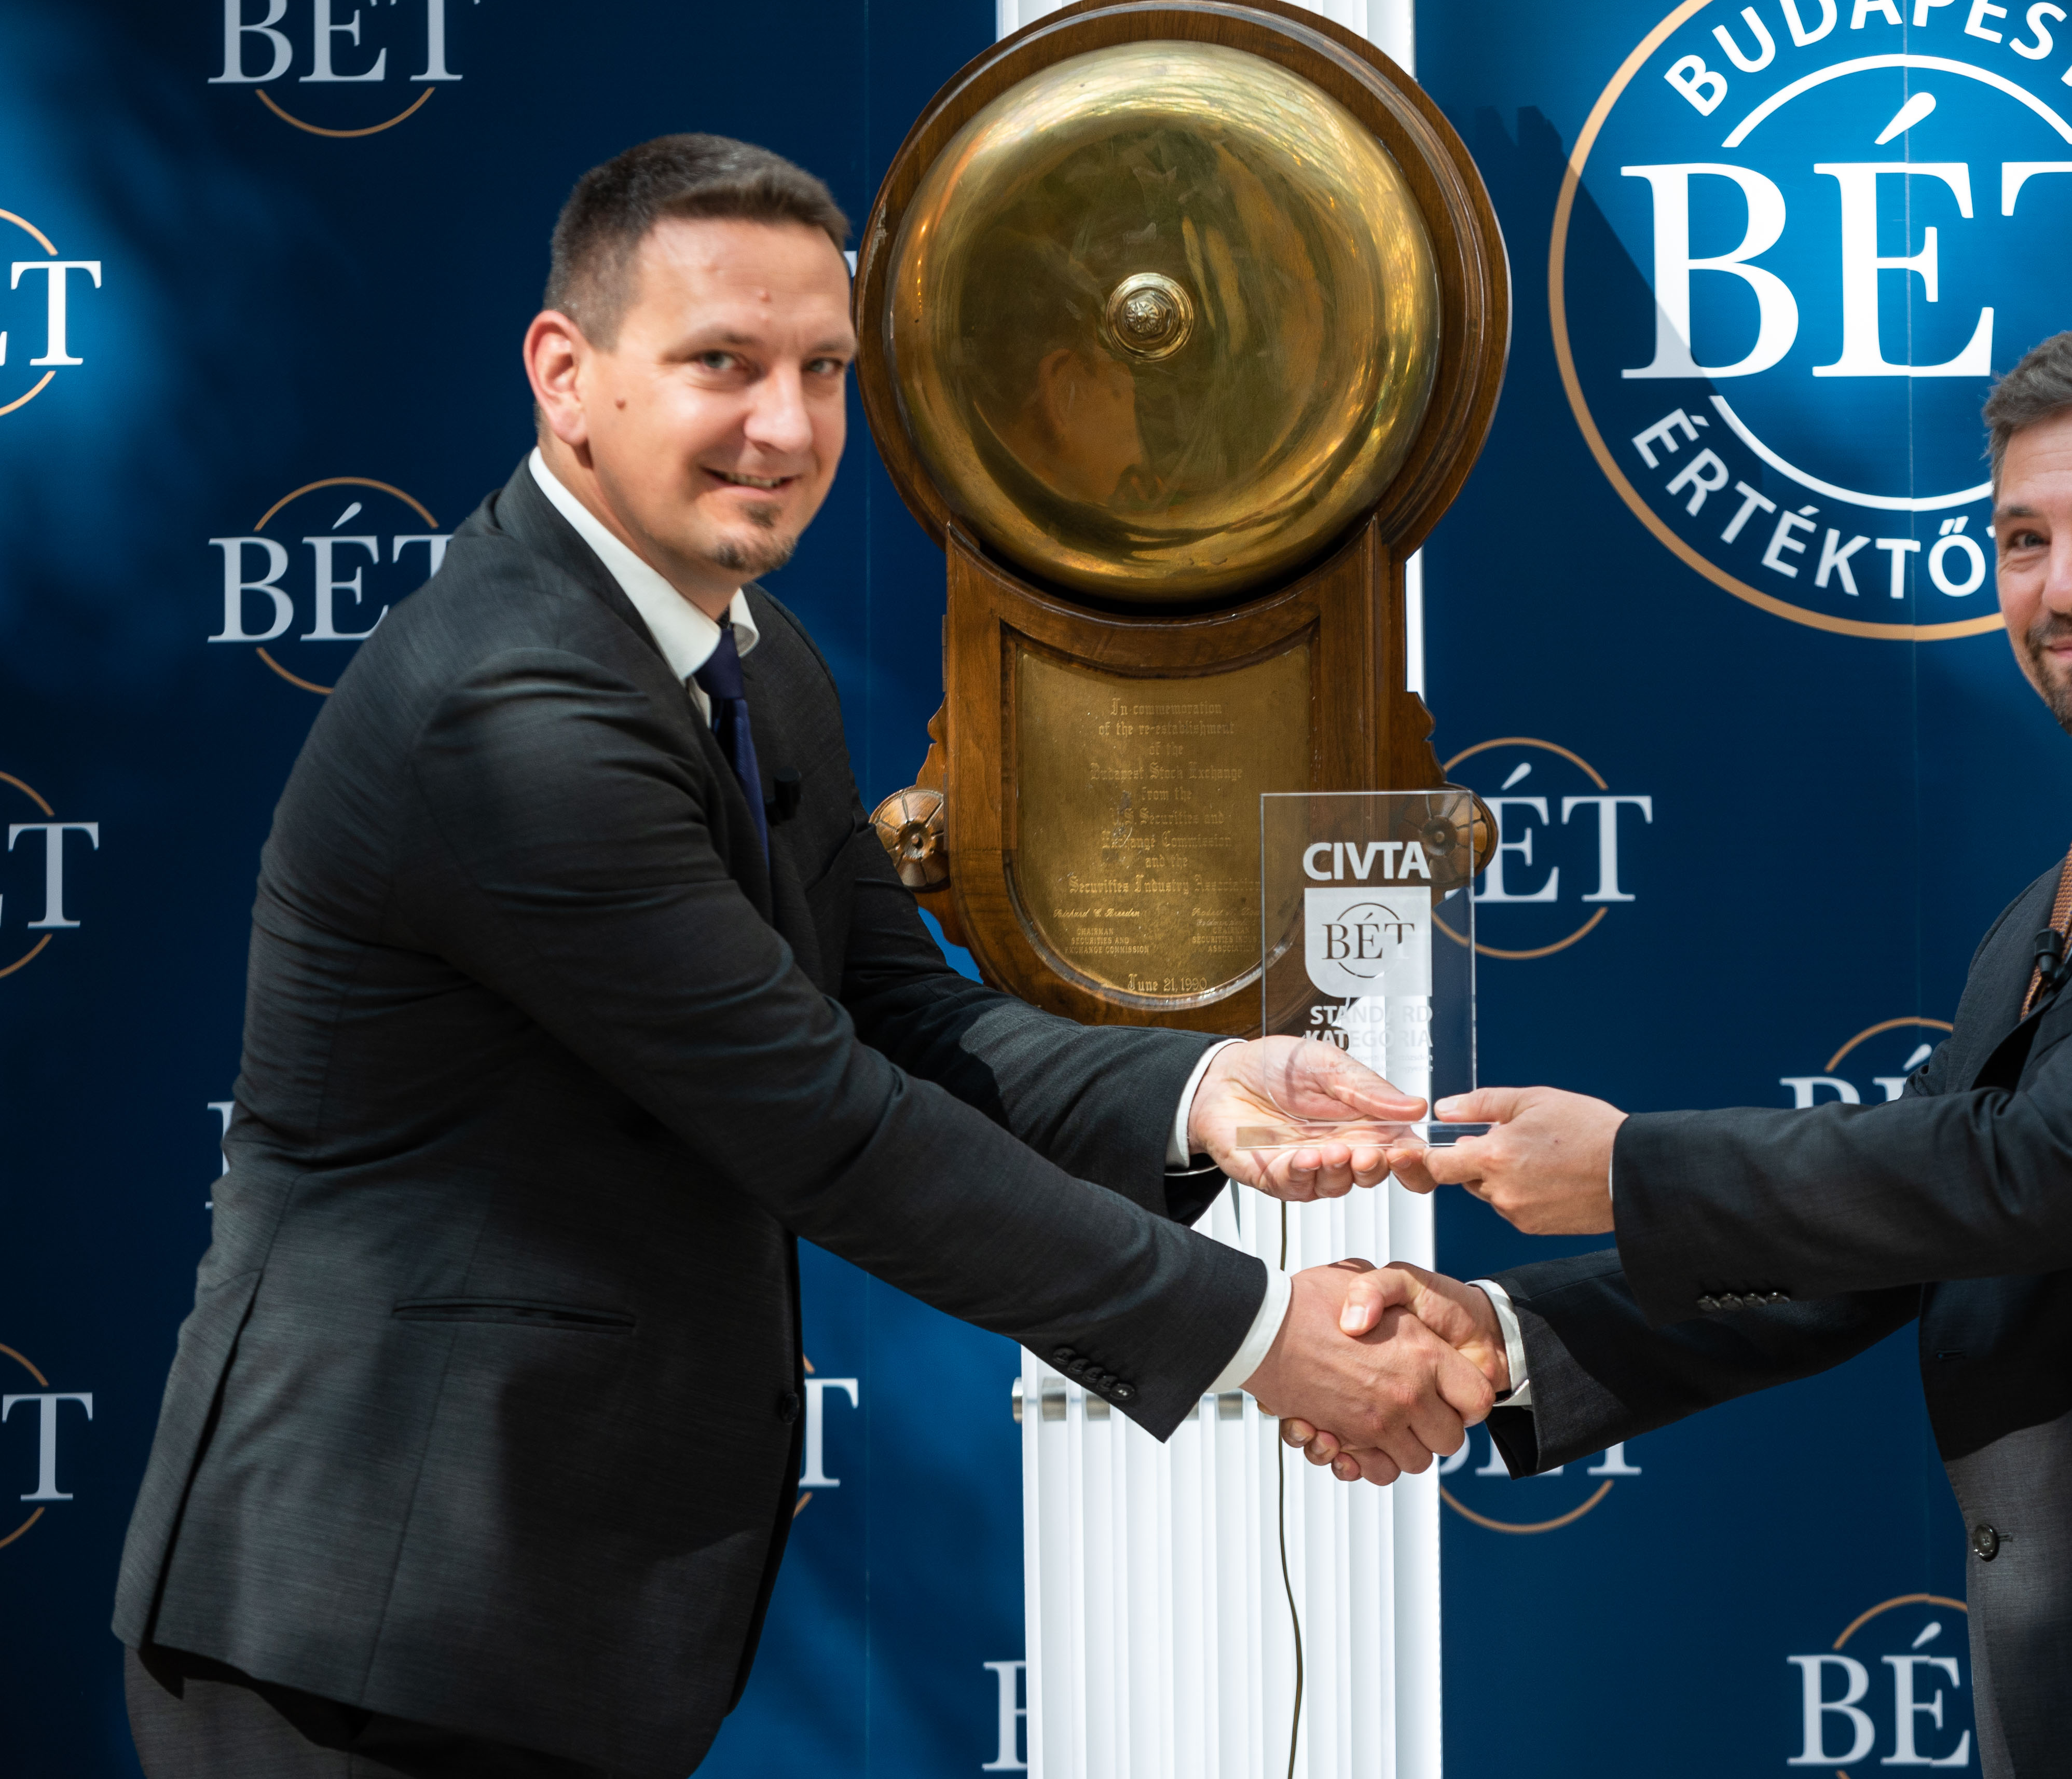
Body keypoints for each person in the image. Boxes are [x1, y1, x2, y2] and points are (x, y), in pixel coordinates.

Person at [114, 135, 1478, 1779]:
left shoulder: (754, 658)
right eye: (723, 364)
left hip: (543, 1631)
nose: (787, 427)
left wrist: (1202, 1091)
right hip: (367, 1637)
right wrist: (1266, 1338)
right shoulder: (511, 708)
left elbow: (898, 1013)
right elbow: (823, 1120)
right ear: (566, 375)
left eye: (824, 370)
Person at [1306, 313, 2072, 1775]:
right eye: (2023, 541)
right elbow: (1891, 1245)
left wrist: (1631, 1170)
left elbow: (2034, 1173)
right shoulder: (2060, 902)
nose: (2066, 588)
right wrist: (1500, 1337)